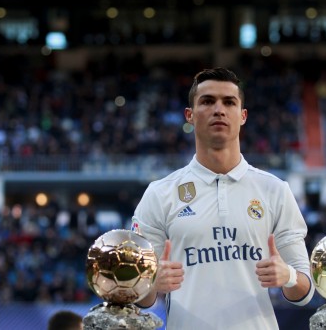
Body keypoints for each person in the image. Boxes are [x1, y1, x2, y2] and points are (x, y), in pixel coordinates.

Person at [132, 67, 313, 329]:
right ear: (190, 115)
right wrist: (151, 283)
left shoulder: (274, 190)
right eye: (207, 101)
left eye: (229, 102)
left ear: (242, 116)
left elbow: (304, 293)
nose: (219, 109)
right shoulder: (160, 193)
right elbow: (138, 296)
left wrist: (288, 276)